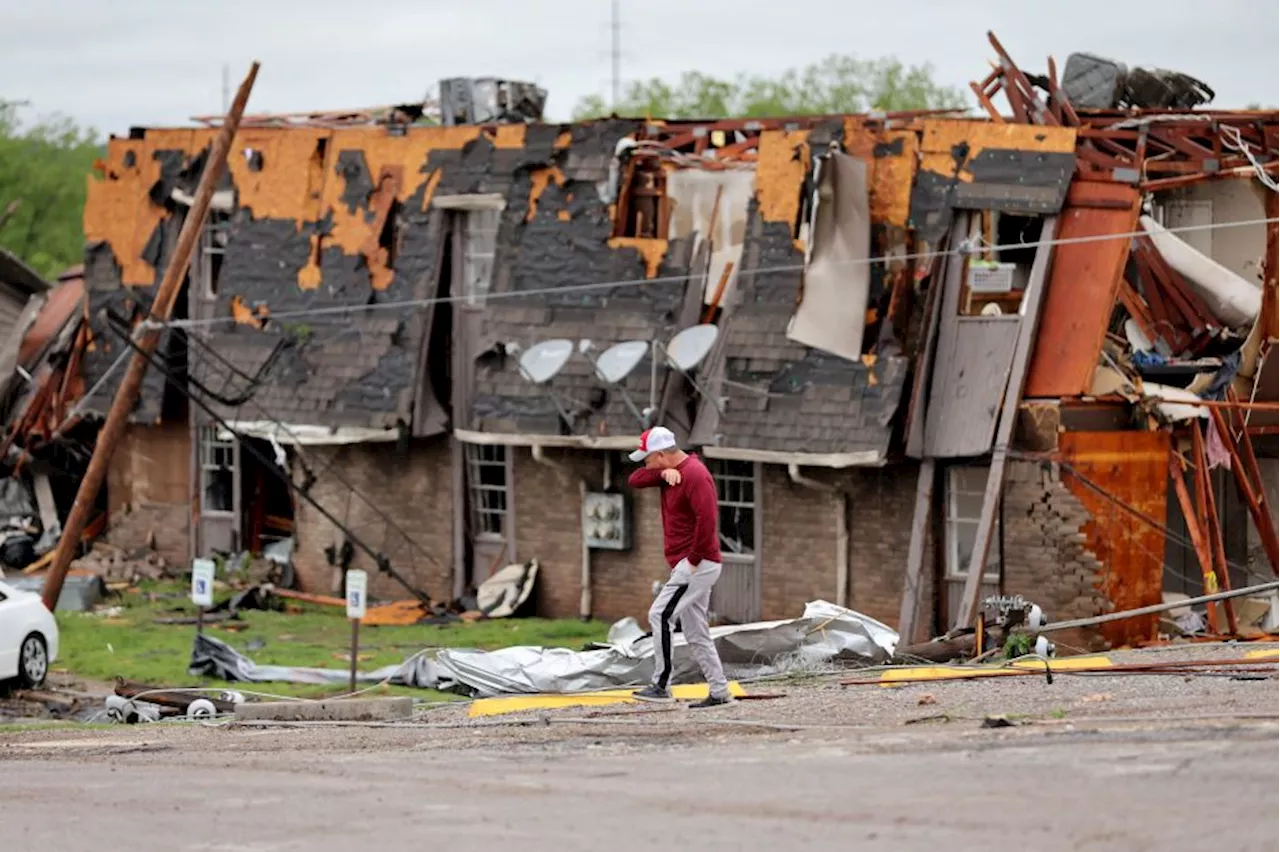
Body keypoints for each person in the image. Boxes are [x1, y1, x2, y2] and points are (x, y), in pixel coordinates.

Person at [626, 426, 732, 708]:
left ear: (660, 454)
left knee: (660, 615)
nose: (645, 464)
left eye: (648, 459)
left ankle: (661, 686)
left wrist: (694, 560)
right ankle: (720, 691)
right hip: (691, 564)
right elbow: (634, 479)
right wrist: (660, 474)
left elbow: (707, 520)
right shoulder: (668, 474)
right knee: (696, 631)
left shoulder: (695, 475)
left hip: (697, 563)